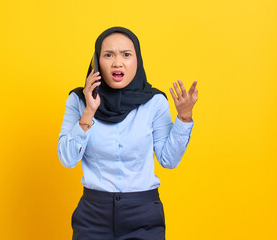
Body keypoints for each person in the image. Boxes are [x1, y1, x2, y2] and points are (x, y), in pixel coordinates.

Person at [57, 26, 198, 240]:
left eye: (126, 55)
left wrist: (184, 118)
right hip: (93, 215)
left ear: (137, 60)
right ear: (96, 62)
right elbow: (67, 159)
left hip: (143, 215)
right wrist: (89, 111)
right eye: (108, 55)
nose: (117, 62)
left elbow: (168, 160)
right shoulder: (78, 101)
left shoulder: (154, 102)